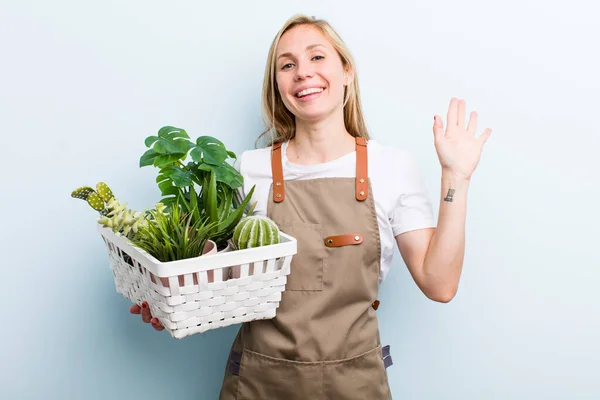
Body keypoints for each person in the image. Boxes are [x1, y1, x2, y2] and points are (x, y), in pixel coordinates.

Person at [130, 13, 492, 399]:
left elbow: (440, 284)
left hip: (356, 385)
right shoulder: (248, 170)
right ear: (279, 86)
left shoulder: (390, 167)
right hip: (258, 383)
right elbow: (218, 277)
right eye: (287, 64)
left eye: (317, 57)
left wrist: (456, 177)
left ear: (346, 72)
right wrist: (169, 298)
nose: (303, 72)